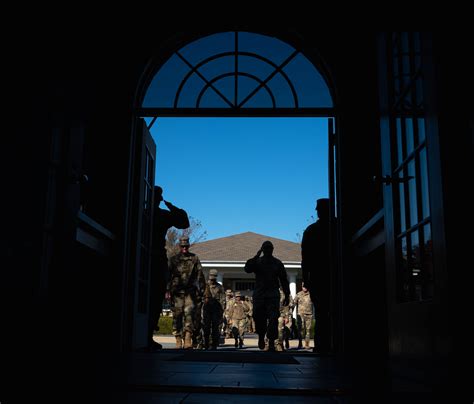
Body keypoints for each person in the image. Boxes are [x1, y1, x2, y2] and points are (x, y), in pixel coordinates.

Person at [148, 186, 189, 351]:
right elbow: (183, 220)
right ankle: (147, 335)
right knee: (154, 297)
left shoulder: (154, 214)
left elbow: (184, 223)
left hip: (154, 256)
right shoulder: (159, 214)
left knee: (155, 297)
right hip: (152, 255)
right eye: (158, 197)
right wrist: (171, 206)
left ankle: (148, 335)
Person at [244, 240, 290, 352]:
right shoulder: (258, 262)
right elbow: (247, 269)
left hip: (272, 296)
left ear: (272, 250)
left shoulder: (277, 263)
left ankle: (271, 342)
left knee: (274, 319)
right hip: (260, 295)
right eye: (266, 248)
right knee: (259, 318)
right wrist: (256, 256)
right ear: (262, 250)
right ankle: (261, 336)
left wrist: (287, 294)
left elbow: (284, 280)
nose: (268, 250)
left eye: (270, 248)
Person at [301, 198, 332, 353]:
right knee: (324, 312)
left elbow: (305, 259)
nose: (318, 212)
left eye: (319, 209)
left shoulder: (312, 230)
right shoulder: (338, 226)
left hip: (321, 276)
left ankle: (322, 345)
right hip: (326, 276)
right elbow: (305, 258)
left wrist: (306, 278)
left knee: (321, 313)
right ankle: (327, 344)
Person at [168, 236, 206, 349]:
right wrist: (167, 290)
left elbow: (200, 274)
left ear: (188, 246)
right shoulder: (173, 259)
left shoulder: (194, 258)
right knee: (177, 315)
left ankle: (188, 338)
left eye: (186, 246)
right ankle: (178, 339)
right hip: (177, 293)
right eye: (182, 246)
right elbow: (167, 275)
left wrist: (202, 289)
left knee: (189, 315)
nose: (184, 248)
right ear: (179, 246)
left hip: (190, 292)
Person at [202, 269, 225, 350]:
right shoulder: (204, 286)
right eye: (211, 277)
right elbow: (200, 297)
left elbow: (222, 300)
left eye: (214, 277)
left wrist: (222, 310)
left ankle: (214, 344)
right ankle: (206, 343)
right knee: (206, 327)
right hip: (206, 309)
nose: (212, 279)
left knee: (215, 328)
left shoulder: (220, 287)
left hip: (216, 309)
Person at [293, 284, 313, 349]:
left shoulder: (311, 294)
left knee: (308, 330)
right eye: (303, 286)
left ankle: (307, 344)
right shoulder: (298, 294)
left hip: (309, 314)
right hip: (300, 314)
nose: (304, 288)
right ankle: (300, 343)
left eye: (306, 286)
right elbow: (293, 304)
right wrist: (290, 313)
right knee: (300, 329)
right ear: (301, 287)